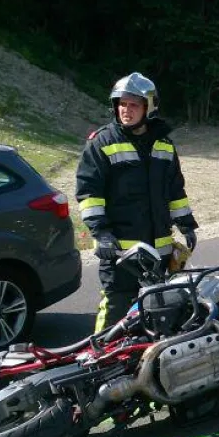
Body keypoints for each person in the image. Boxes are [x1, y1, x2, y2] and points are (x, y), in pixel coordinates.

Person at [77, 72, 198, 333]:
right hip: (120, 253)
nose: (126, 111)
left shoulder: (164, 146)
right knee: (115, 313)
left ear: (149, 107)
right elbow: (89, 194)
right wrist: (102, 234)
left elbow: (175, 191)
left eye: (133, 105)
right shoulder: (102, 143)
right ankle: (100, 363)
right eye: (122, 104)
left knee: (157, 313)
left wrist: (186, 225)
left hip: (159, 252)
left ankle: (147, 365)